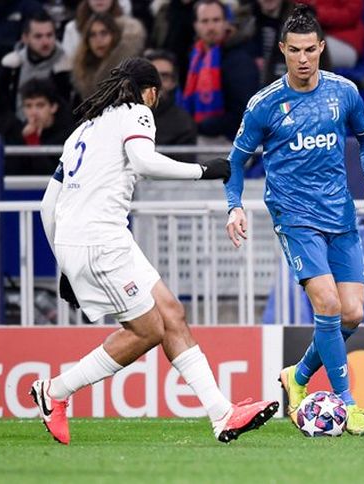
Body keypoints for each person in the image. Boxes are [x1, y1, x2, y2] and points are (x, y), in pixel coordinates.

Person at [31, 57, 278, 446]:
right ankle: (55, 392)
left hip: (95, 238)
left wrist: (64, 265)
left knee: (171, 314)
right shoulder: (138, 113)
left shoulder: (83, 129)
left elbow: (48, 205)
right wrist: (203, 171)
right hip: (101, 241)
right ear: (150, 91)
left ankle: (222, 414)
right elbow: (144, 161)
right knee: (147, 331)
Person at [223, 5, 364, 436]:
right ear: (282, 50)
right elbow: (236, 161)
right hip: (295, 216)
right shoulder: (265, 105)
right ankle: (347, 405)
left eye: (310, 50)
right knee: (328, 305)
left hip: (340, 214)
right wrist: (234, 205)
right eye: (294, 50)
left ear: (321, 48)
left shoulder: (343, 92)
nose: (302, 58)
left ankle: (295, 377)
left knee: (352, 314)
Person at [182, 0, 259, 141]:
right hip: (200, 135)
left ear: (226, 23)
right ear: (196, 26)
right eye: (205, 21)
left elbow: (245, 112)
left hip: (232, 140)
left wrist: (200, 126)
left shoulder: (239, 59)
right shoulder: (194, 57)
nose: (211, 27)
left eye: (216, 20)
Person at [0, 11, 72, 120]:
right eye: (38, 36)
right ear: (25, 38)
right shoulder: (12, 65)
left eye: (49, 35)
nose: (45, 42)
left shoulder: (66, 66)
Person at [17, 77, 74, 174]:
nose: (33, 112)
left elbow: (52, 177)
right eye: (28, 106)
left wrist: (33, 141)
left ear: (53, 107)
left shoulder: (69, 135)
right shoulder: (19, 132)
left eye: (40, 105)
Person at [144, 48, 197, 148]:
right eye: (151, 75)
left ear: (174, 82)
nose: (157, 82)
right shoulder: (122, 115)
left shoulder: (183, 123)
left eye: (165, 77)